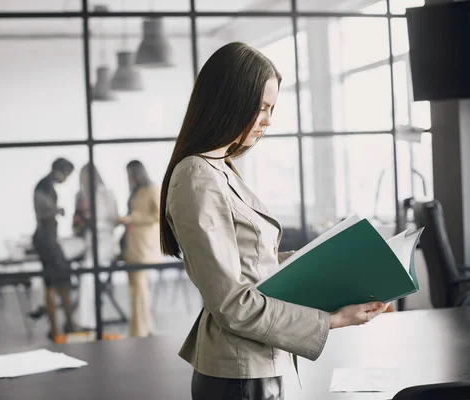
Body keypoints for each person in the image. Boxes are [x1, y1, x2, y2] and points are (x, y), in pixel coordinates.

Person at [160, 42, 390, 400]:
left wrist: (334, 269)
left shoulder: (219, 169)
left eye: (272, 108)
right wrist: (334, 319)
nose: (268, 120)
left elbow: (252, 265)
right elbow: (232, 305)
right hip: (239, 373)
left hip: (256, 364)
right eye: (262, 107)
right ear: (230, 100)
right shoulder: (197, 176)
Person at [32, 157, 77, 343]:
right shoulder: (43, 187)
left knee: (59, 281)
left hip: (49, 239)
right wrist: (58, 211)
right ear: (59, 171)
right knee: (55, 283)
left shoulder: (46, 186)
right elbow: (43, 213)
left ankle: (65, 324)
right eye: (66, 174)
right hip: (46, 240)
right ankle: (58, 327)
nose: (66, 178)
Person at [118, 160, 164, 337]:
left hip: (144, 246)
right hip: (131, 244)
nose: (128, 178)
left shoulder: (152, 189)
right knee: (136, 289)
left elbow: (159, 215)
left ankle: (139, 331)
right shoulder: (136, 191)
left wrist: (133, 218)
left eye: (130, 174)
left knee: (139, 288)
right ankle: (144, 327)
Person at [72, 164, 119, 330]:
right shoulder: (80, 196)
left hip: (104, 241)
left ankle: (86, 322)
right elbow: (75, 226)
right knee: (59, 257)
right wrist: (82, 221)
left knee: (87, 276)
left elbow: (114, 220)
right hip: (87, 240)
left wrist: (95, 222)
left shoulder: (107, 194)